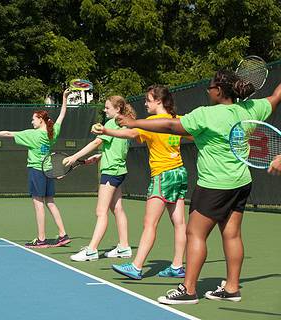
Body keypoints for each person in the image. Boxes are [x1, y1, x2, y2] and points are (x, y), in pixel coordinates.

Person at [116, 70, 281, 304]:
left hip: (213, 186)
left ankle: (188, 290)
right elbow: (276, 95)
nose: (208, 89)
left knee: (195, 233)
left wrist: (133, 123)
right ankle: (232, 288)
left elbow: (170, 126)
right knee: (232, 234)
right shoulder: (252, 108)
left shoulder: (205, 115)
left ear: (219, 91)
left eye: (211, 86)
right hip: (241, 184)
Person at [92, 85, 188, 280]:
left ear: (159, 101)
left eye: (148, 100)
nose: (145, 103)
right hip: (180, 173)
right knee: (179, 223)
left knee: (149, 223)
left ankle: (136, 267)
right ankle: (177, 266)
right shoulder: (177, 121)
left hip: (163, 175)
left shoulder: (153, 122)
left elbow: (131, 134)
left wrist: (106, 131)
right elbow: (193, 134)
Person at [0, 89, 71, 248]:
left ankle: (41, 239)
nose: (31, 122)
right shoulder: (52, 131)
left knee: (38, 204)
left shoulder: (32, 135)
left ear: (41, 119)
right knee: (50, 202)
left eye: (33, 119)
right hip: (48, 171)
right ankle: (63, 235)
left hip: (36, 171)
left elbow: (8, 133)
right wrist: (64, 98)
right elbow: (62, 115)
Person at [63, 96, 136, 261]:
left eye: (108, 107)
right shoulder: (125, 124)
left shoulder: (111, 124)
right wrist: (100, 156)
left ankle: (92, 250)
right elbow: (116, 149)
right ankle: (124, 247)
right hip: (119, 171)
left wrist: (74, 157)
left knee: (101, 211)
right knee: (117, 209)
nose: (105, 110)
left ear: (117, 109)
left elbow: (96, 142)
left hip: (110, 172)